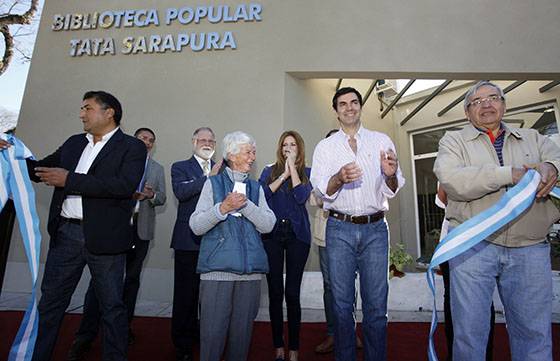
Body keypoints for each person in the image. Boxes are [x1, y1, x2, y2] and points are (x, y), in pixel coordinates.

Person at [0, 91, 147, 361]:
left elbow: (124, 186)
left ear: (109, 112)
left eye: (87, 108)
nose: (81, 114)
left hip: (106, 240)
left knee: (112, 308)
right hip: (66, 236)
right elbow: (40, 170)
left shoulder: (132, 147)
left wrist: (71, 180)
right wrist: (11, 154)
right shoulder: (73, 143)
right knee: (50, 305)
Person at [434, 81, 560, 361]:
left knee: (535, 334)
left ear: (504, 105)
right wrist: (509, 174)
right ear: (467, 112)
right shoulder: (453, 141)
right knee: (469, 334)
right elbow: (453, 181)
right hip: (473, 247)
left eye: (493, 98)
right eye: (477, 102)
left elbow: (557, 158)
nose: (487, 105)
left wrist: (553, 167)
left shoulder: (534, 138)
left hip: (530, 247)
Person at [310, 87, 405, 361]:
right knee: (341, 307)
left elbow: (393, 186)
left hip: (376, 229)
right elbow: (320, 192)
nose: (349, 107)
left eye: (354, 102)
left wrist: (389, 176)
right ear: (336, 110)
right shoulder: (325, 147)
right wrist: (339, 177)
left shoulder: (381, 140)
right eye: (343, 104)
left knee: (376, 307)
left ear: (361, 106)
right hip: (339, 229)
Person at [66, 127, 167, 360]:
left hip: (140, 232)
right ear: (134, 140)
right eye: (143, 138)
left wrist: (151, 195)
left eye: (151, 140)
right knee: (100, 283)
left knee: (130, 282)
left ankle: (124, 330)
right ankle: (85, 335)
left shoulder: (157, 169)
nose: (147, 142)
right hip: (113, 229)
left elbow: (162, 198)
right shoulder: (118, 160)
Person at [189, 131, 276, 361]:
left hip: (250, 276)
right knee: (212, 340)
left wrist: (246, 206)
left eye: (254, 152)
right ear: (231, 154)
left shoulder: (256, 188)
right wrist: (223, 208)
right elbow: (196, 225)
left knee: (241, 342)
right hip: (217, 273)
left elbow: (268, 225)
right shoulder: (213, 184)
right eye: (248, 152)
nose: (253, 157)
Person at [258, 130, 312, 361]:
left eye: (292, 145)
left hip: (298, 236)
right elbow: (261, 196)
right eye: (284, 145)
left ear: (299, 148)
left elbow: (301, 197)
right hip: (272, 234)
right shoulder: (269, 171)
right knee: (275, 292)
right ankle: (278, 345)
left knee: (292, 293)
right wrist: (282, 175)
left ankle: (294, 349)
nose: (288, 148)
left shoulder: (308, 172)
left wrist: (293, 170)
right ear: (280, 148)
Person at [170, 127, 222, 361]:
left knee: (211, 297)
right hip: (187, 241)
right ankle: (182, 345)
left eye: (211, 140)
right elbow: (181, 192)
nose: (207, 143)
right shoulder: (180, 167)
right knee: (185, 296)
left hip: (215, 242)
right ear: (193, 142)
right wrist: (207, 179)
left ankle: (206, 338)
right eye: (203, 139)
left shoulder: (224, 170)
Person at [310, 129, 364, 354]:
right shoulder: (322, 168)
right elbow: (315, 198)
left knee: (350, 285)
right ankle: (333, 334)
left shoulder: (355, 167)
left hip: (355, 234)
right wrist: (334, 186)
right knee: (331, 286)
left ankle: (350, 332)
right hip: (326, 236)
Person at [435, 185, 494, 361]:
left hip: (484, 236)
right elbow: (443, 196)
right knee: (453, 304)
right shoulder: (450, 159)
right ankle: (455, 354)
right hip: (453, 240)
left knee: (483, 303)